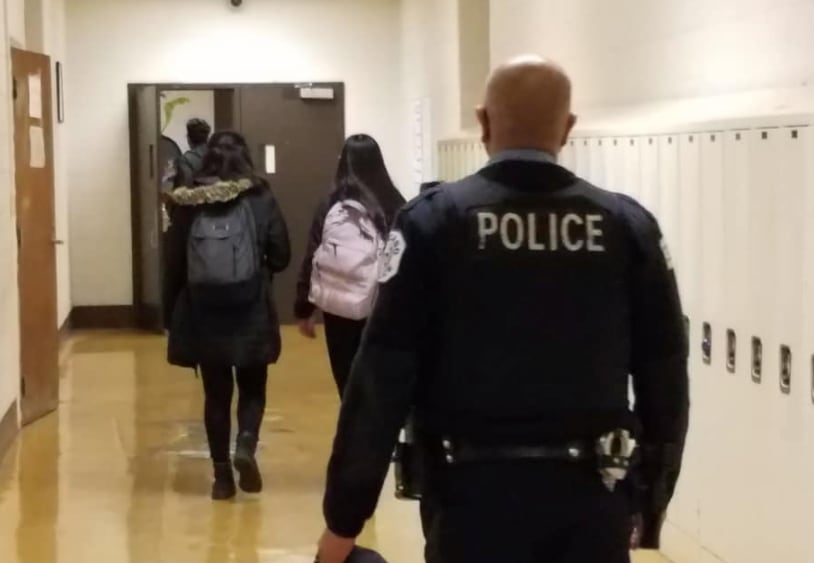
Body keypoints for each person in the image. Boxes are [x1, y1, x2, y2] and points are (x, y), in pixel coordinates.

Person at [316, 55, 689, 563]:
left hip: (470, 503)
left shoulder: (433, 224)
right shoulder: (626, 226)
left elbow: (380, 380)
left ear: (484, 121)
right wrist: (647, 506)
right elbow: (665, 377)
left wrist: (343, 521)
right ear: (568, 128)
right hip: (591, 502)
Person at [163, 130, 291, 501]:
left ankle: (221, 478)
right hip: (249, 307)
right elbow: (281, 255)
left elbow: (173, 264)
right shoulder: (260, 197)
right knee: (253, 386)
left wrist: (173, 314)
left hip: (204, 311)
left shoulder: (189, 202)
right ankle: (246, 445)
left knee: (215, 394)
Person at [294, 134, 405, 398]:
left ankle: (352, 433)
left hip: (339, 309)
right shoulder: (395, 202)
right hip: (384, 307)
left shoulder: (332, 204)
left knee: (348, 384)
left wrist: (305, 308)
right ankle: (381, 436)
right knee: (380, 384)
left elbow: (313, 255)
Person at [173, 118, 212, 188]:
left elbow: (185, 187)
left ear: (188, 138)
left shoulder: (186, 159)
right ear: (207, 138)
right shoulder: (218, 155)